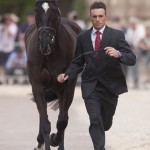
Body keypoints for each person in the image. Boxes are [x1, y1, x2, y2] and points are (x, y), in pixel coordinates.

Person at [57, 1, 136, 150]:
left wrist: (118, 54)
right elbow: (78, 61)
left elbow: (132, 58)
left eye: (100, 16)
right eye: (94, 16)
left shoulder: (117, 35)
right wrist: (67, 74)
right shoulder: (83, 37)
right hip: (90, 86)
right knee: (94, 120)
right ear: (90, 17)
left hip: (111, 87)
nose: (98, 19)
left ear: (106, 16)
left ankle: (105, 124)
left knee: (105, 123)